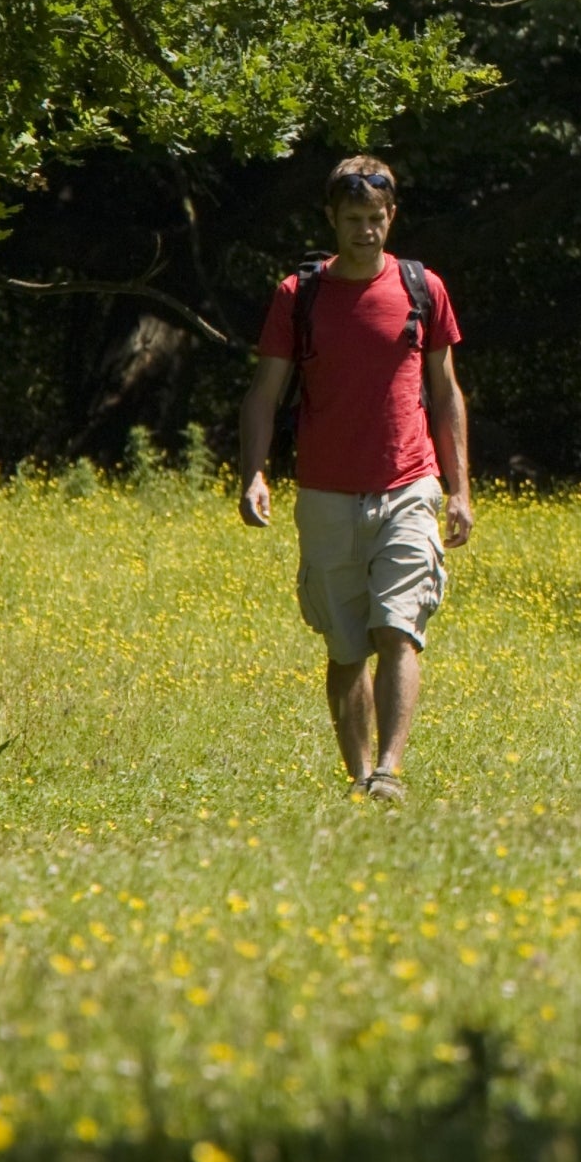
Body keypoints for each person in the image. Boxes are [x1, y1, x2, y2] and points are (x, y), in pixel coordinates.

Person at [236, 155, 472, 802]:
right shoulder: (298, 295)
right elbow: (263, 394)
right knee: (346, 649)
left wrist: (459, 489)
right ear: (331, 220)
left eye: (376, 218)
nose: (366, 230)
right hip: (325, 492)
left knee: (399, 629)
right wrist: (253, 474)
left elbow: (446, 393)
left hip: (408, 485)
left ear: (392, 216)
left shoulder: (424, 289)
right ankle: (359, 774)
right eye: (352, 219)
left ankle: (389, 773)